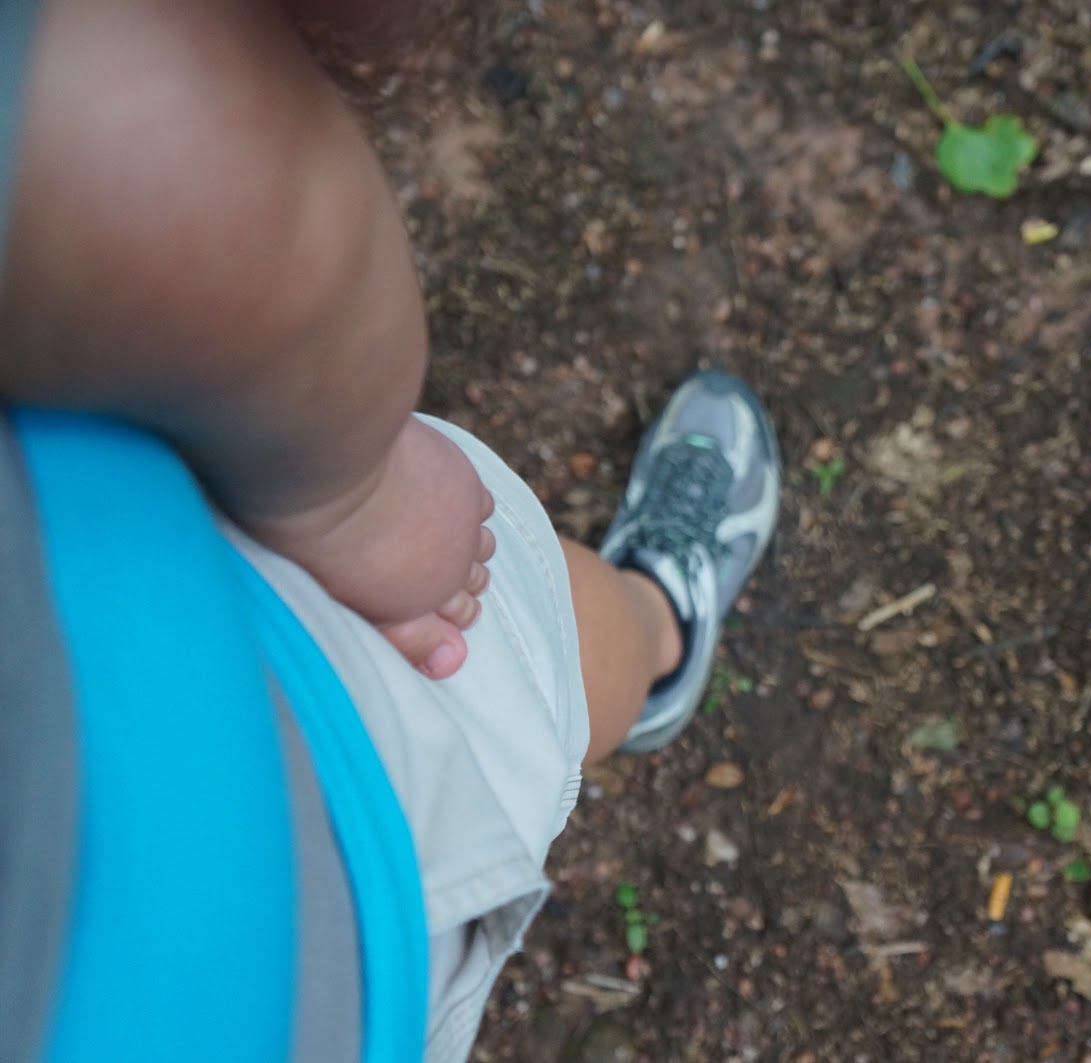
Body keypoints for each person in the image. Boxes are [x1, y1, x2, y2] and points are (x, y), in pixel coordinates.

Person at [0, 0, 781, 1061]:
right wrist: (353, 494)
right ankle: (657, 632)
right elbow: (156, 137)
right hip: (277, 815)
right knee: (510, 646)